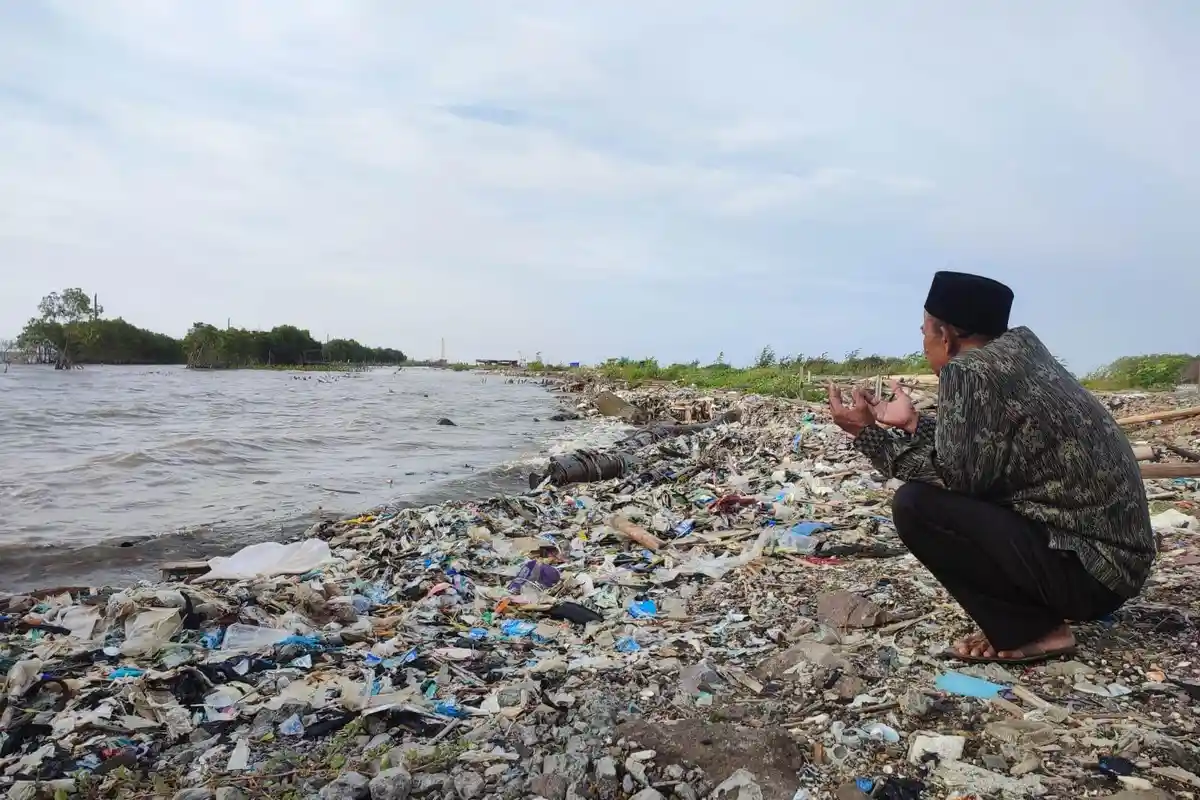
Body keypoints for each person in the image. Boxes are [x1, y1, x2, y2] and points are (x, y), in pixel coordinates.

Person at [827, 271, 1155, 665]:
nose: (924, 340)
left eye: (925, 331)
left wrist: (866, 435)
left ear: (945, 336)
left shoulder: (968, 372)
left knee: (915, 505)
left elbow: (956, 479)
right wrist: (914, 424)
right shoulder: (1018, 356)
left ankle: (1038, 630)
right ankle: (1031, 617)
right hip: (1115, 567)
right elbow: (987, 450)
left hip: (1089, 574)